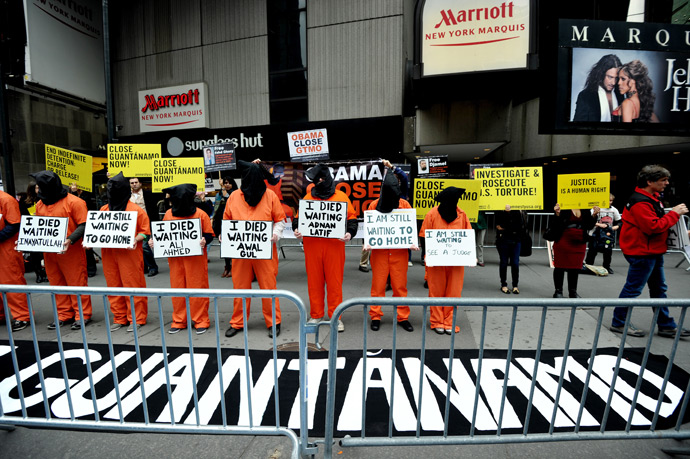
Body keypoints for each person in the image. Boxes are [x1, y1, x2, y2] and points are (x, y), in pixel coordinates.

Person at [610, 165, 689, 337]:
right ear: (649, 181)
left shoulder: (649, 198)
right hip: (643, 252)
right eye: (663, 180)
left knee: (658, 289)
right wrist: (674, 214)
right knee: (634, 289)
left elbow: (654, 224)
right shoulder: (641, 201)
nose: (667, 183)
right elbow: (652, 227)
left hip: (649, 251)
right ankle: (619, 322)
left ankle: (666, 325)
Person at [223, 161, 285, 338]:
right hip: (240, 251)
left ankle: (274, 322)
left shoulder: (270, 196)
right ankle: (237, 322)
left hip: (264, 250)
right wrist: (224, 235)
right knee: (240, 287)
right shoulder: (234, 196)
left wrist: (275, 233)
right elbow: (227, 221)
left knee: (268, 287)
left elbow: (280, 219)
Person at [293, 165, 358, 332]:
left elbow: (352, 218)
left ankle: (336, 316)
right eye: (317, 180)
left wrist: (350, 233)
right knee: (314, 282)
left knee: (335, 283)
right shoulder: (308, 197)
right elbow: (298, 219)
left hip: (334, 247)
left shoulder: (341, 197)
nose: (320, 182)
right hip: (312, 246)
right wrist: (297, 230)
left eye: (322, 179)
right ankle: (316, 314)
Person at [31, 170, 92, 330]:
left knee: (76, 282)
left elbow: (84, 224)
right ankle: (64, 314)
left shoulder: (74, 202)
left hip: (71, 251)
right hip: (50, 253)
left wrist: (70, 240)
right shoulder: (40, 204)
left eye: (40, 186)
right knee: (56, 283)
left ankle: (82, 315)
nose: (37, 189)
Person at [91, 173, 150, 332]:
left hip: (129, 254)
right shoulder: (104, 209)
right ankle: (119, 317)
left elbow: (145, 232)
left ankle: (136, 318)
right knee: (113, 285)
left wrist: (136, 239)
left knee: (132, 285)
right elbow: (97, 230)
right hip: (110, 254)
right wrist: (90, 241)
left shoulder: (137, 210)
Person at [151, 184, 214, 334]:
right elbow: (164, 234)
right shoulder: (168, 214)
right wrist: (154, 241)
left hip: (195, 261)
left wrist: (204, 240)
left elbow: (209, 234)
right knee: (178, 289)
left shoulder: (200, 214)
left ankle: (200, 320)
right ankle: (179, 320)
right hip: (176, 260)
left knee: (198, 289)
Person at [364, 168, 417, 332]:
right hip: (379, 253)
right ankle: (375, 315)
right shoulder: (373, 205)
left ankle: (402, 316)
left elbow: (409, 228)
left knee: (400, 286)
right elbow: (370, 229)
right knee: (378, 286)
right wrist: (367, 242)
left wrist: (412, 242)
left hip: (399, 253)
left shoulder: (405, 205)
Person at [419, 187, 471, 335]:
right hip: (436, 261)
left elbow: (467, 236)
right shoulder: (432, 214)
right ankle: (436, 321)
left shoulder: (462, 215)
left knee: (454, 292)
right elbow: (424, 236)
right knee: (436, 291)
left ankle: (449, 322)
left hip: (456, 262)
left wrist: (469, 254)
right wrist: (428, 255)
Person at [551, 203, 599, 298]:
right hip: (563, 240)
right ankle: (558, 291)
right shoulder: (563, 206)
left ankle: (572, 292)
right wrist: (557, 213)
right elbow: (556, 224)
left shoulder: (584, 209)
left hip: (579, 241)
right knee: (560, 266)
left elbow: (589, 226)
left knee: (575, 267)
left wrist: (594, 215)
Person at [0, 189, 30, 331]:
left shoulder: (6, 200)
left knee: (11, 281)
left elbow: (14, 224)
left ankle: (21, 316)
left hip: (6, 249)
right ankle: (2, 314)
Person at [573, 54, 622, 122]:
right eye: (610, 77)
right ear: (601, 74)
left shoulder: (620, 94)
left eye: (616, 78)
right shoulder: (585, 96)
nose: (613, 82)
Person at [584, 193, 621, 274]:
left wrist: (615, 227)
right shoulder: (596, 209)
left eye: (611, 200)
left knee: (608, 252)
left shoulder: (614, 210)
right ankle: (589, 266)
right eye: (608, 200)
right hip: (594, 234)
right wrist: (599, 224)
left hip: (607, 235)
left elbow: (619, 221)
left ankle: (607, 267)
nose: (609, 202)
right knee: (592, 251)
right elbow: (589, 221)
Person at [130, 177, 159, 277]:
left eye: (136, 182)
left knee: (145, 246)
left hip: (145, 222)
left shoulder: (148, 194)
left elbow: (154, 209)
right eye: (132, 183)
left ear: (140, 183)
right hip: (132, 223)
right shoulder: (126, 195)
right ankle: (145, 267)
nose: (134, 184)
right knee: (137, 245)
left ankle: (153, 267)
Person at [18, 182, 47, 283]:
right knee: (34, 254)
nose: (38, 190)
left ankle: (45, 273)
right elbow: (21, 215)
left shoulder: (43, 199)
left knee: (44, 254)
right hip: (32, 230)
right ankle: (38, 274)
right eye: (36, 188)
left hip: (43, 229)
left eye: (39, 187)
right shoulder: (24, 201)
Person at [69, 182, 98, 277]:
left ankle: (91, 268)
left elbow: (82, 205)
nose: (73, 186)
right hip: (75, 224)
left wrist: (74, 193)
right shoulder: (68, 195)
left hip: (87, 221)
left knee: (87, 246)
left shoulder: (87, 194)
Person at [496, 205, 525, 294]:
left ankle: (515, 285)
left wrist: (506, 228)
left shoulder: (517, 211)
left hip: (516, 240)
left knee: (515, 263)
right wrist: (507, 213)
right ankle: (503, 284)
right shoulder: (499, 211)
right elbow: (499, 226)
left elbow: (519, 226)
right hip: (503, 240)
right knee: (504, 262)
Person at [213, 176, 238, 278]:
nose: (227, 185)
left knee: (232, 245)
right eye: (225, 183)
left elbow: (228, 198)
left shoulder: (235, 193)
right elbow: (216, 206)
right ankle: (227, 266)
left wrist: (222, 187)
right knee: (224, 246)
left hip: (231, 222)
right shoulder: (219, 194)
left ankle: (233, 267)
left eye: (228, 183)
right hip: (220, 222)